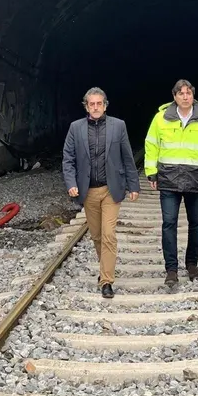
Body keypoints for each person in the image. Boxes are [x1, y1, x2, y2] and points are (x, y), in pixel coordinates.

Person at [144, 79, 198, 287]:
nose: (184, 96)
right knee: (169, 224)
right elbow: (151, 145)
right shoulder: (160, 119)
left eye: (188, 93)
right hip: (169, 179)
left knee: (196, 224)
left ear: (193, 96)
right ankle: (171, 270)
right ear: (174, 96)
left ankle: (192, 264)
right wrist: (151, 172)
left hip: (195, 179)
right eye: (180, 93)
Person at [62, 87, 140, 298]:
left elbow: (127, 157)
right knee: (96, 236)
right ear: (86, 106)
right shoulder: (75, 128)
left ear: (105, 105)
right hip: (88, 191)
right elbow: (68, 158)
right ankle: (104, 268)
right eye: (91, 104)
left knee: (108, 235)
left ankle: (107, 280)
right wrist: (71, 182)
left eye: (99, 103)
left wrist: (133, 185)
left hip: (110, 190)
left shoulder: (118, 126)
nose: (95, 107)